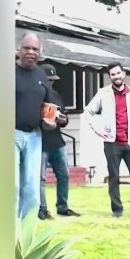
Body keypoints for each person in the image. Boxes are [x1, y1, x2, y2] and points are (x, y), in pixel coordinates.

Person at [82, 62, 130, 218]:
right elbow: (88, 112)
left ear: (123, 74)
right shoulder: (103, 94)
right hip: (112, 144)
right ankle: (117, 210)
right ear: (110, 77)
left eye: (118, 73)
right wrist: (98, 130)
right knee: (114, 177)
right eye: (112, 74)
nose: (116, 76)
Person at [15, 32, 57, 219]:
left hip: (34, 136)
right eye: (27, 48)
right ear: (19, 49)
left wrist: (51, 121)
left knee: (31, 187)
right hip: (11, 135)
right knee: (13, 186)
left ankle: (25, 235)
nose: (31, 52)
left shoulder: (41, 74)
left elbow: (48, 103)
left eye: (35, 49)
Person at [37, 64, 81, 219]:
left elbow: (63, 116)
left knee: (63, 175)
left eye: (53, 80)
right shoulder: (35, 94)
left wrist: (64, 119)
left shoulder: (55, 95)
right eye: (49, 80)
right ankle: (42, 209)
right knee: (40, 178)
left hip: (57, 141)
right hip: (41, 142)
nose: (51, 82)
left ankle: (63, 207)